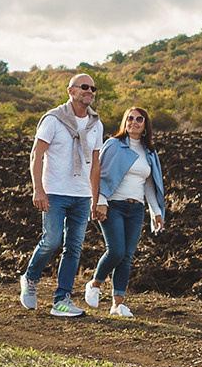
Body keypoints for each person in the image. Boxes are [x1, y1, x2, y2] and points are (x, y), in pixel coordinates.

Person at [20, 72, 104, 318]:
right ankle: (30, 278)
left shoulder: (96, 124)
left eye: (93, 88)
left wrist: (96, 198)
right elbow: (36, 155)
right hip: (55, 192)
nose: (89, 91)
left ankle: (62, 300)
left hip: (82, 195)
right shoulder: (53, 119)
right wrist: (38, 189)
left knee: (74, 248)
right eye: (84, 86)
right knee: (52, 241)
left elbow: (95, 165)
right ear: (71, 91)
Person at [85, 106, 167, 318]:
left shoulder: (149, 152)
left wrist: (156, 212)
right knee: (116, 251)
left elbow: (150, 185)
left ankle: (117, 305)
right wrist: (99, 201)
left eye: (139, 119)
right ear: (125, 122)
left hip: (136, 209)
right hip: (114, 205)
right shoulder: (114, 145)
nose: (134, 122)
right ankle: (94, 284)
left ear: (145, 125)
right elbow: (98, 174)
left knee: (127, 257)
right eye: (130, 118)